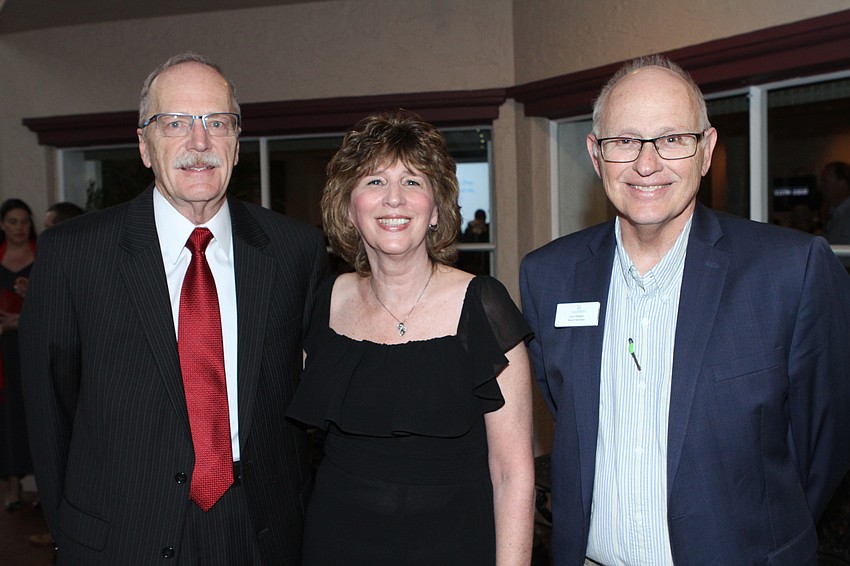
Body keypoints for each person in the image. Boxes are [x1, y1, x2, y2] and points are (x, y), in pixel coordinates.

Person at [520, 54, 850, 565]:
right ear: (595, 154)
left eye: (673, 138)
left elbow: (823, 445)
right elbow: (569, 415)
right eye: (624, 141)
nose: (646, 163)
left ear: (706, 150)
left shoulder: (790, 271)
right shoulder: (547, 277)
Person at [19, 52, 329, 565]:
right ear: (144, 144)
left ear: (236, 141)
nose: (199, 142)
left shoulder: (295, 251)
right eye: (175, 123)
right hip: (120, 534)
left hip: (259, 532)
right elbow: (49, 411)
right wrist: (70, 529)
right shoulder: (74, 254)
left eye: (216, 123)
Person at [287, 110, 535, 565]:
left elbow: (512, 473)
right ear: (348, 207)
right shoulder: (325, 302)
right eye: (374, 182)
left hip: (456, 548)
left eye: (413, 182)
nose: (394, 200)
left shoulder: (483, 306)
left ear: (437, 207)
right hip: (335, 546)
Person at [0, 198, 36, 512]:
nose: (19, 228)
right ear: (2, 225)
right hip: (3, 348)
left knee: (33, 408)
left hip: (32, 344)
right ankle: (11, 487)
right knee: (7, 412)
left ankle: (41, 486)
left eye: (24, 221)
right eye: (13, 221)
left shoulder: (43, 252)